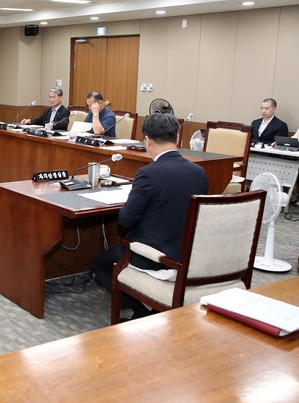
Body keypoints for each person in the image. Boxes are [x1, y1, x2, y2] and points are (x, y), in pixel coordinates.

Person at [90, 113, 209, 320]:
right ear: (177, 137)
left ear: (147, 140)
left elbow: (126, 220)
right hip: (189, 254)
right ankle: (149, 309)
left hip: (155, 257)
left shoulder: (148, 173)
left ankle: (141, 312)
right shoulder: (199, 172)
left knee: (98, 262)